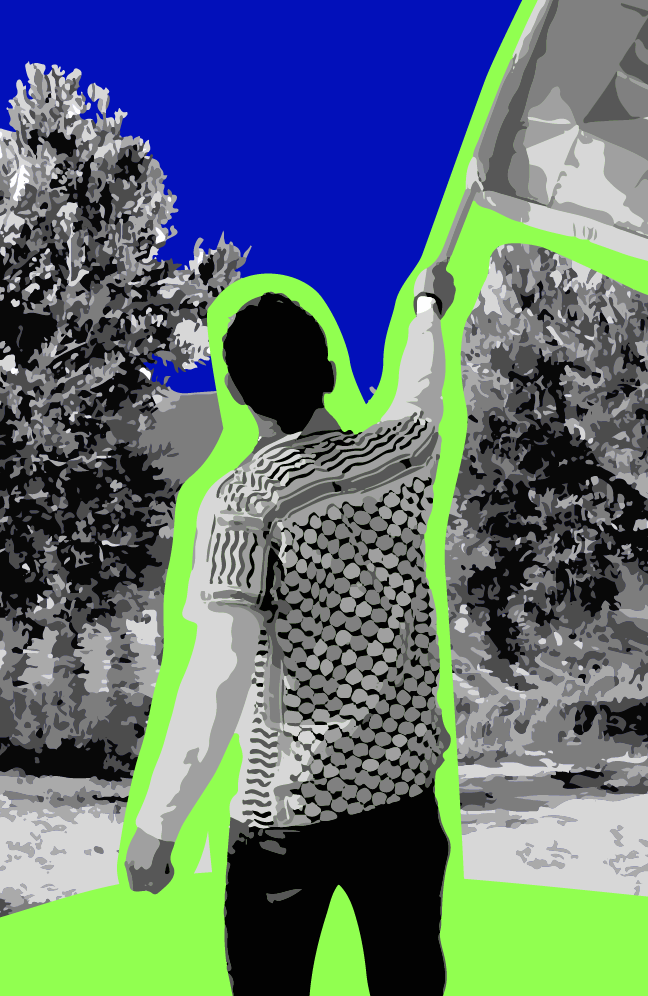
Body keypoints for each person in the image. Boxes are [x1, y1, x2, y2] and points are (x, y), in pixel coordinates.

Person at [125, 264, 456, 996]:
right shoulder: (396, 462)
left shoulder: (241, 506)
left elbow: (218, 676)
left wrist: (160, 822)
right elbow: (421, 389)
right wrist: (427, 305)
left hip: (289, 820)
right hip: (403, 804)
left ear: (238, 392)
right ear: (332, 371)